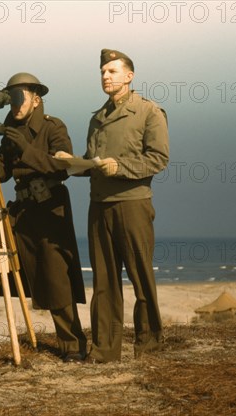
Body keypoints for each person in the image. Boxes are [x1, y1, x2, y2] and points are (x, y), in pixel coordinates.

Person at [0, 72, 87, 363]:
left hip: (49, 209)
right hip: (21, 209)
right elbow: (4, 174)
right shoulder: (10, 128)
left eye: (20, 97)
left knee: (56, 277)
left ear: (36, 99)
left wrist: (25, 149)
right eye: (11, 97)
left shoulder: (52, 127)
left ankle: (72, 345)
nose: (15, 104)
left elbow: (61, 168)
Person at [60, 49, 169, 363]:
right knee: (104, 282)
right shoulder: (97, 118)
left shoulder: (149, 112)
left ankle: (148, 348)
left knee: (141, 279)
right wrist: (72, 164)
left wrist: (118, 167)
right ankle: (105, 351)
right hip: (99, 207)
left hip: (133, 206)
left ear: (129, 76)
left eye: (112, 71)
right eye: (102, 72)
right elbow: (95, 160)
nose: (105, 76)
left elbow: (158, 159)